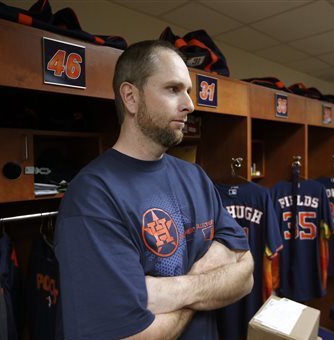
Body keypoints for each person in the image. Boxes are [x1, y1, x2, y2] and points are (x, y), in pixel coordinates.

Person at [54, 40, 254, 339]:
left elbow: (246, 272)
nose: (190, 104)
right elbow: (131, 335)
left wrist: (169, 291)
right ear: (131, 97)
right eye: (173, 89)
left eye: (188, 90)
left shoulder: (195, 177)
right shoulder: (93, 196)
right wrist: (207, 287)